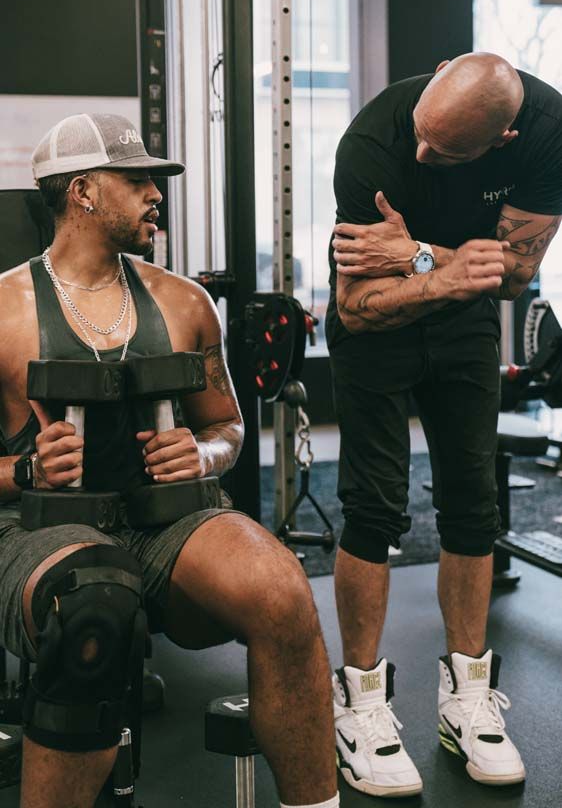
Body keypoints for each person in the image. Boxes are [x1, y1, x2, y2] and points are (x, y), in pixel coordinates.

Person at [0, 113, 339, 808]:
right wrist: (28, 471)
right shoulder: (4, 311)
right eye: (139, 180)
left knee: (281, 590)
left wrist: (203, 452)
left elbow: (226, 425)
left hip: (169, 524)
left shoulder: (185, 302)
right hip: (40, 529)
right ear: (84, 191)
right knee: (93, 606)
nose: (157, 193)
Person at [326, 53, 562, 797]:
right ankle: (359, 705)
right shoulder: (372, 145)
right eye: (423, 136)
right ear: (430, 78)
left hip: (461, 328)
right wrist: (445, 270)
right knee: (373, 506)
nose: (423, 156)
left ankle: (466, 696)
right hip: (380, 331)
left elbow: (515, 275)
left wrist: (416, 254)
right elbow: (356, 306)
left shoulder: (548, 136)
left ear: (503, 138)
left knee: (473, 506)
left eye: (446, 152)